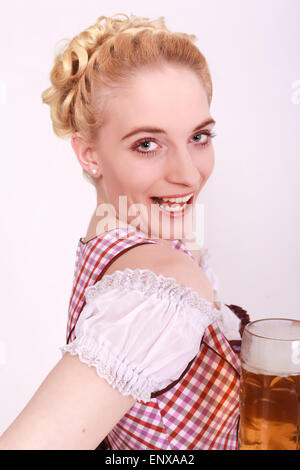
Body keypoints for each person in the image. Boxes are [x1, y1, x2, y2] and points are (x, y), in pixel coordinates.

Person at [0, 13, 250, 450]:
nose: (189, 175)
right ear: (90, 155)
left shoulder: (114, 241)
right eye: (147, 144)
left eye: (199, 137)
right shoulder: (160, 285)